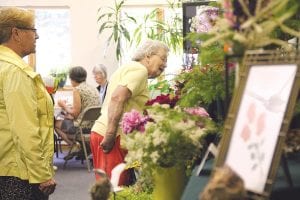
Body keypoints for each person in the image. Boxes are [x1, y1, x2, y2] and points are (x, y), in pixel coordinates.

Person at [90, 39, 169, 185]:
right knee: (113, 190)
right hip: (112, 136)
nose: (165, 64)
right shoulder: (140, 70)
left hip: (110, 133)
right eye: (163, 58)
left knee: (111, 188)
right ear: (148, 56)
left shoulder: (131, 69)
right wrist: (110, 134)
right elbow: (117, 97)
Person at [0, 7, 56, 200]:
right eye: (33, 30)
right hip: (19, 173)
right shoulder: (16, 71)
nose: (37, 36)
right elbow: (24, 127)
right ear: (16, 33)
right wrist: (41, 174)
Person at [54, 66, 100, 157]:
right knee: (66, 118)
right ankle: (84, 148)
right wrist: (69, 115)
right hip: (94, 125)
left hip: (82, 128)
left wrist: (63, 105)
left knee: (56, 124)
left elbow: (75, 113)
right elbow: (82, 111)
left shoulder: (77, 90)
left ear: (72, 79)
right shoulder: (93, 88)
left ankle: (74, 145)